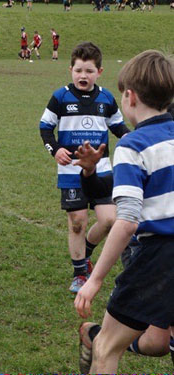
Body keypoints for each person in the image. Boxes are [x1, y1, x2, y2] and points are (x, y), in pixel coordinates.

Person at [73, 50, 174, 373]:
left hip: (156, 259)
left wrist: (94, 279)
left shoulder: (133, 145)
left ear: (129, 97)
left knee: (106, 346)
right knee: (158, 343)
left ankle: (93, 337)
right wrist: (90, 173)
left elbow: (127, 222)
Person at [39, 42, 130, 294]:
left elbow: (118, 127)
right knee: (77, 221)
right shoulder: (60, 97)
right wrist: (55, 149)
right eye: (79, 70)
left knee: (110, 220)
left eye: (89, 71)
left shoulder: (107, 98)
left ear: (99, 72)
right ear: (70, 70)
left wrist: (130, 138)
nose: (83, 76)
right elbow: (45, 128)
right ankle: (80, 273)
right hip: (71, 170)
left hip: (102, 170)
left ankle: (86, 252)